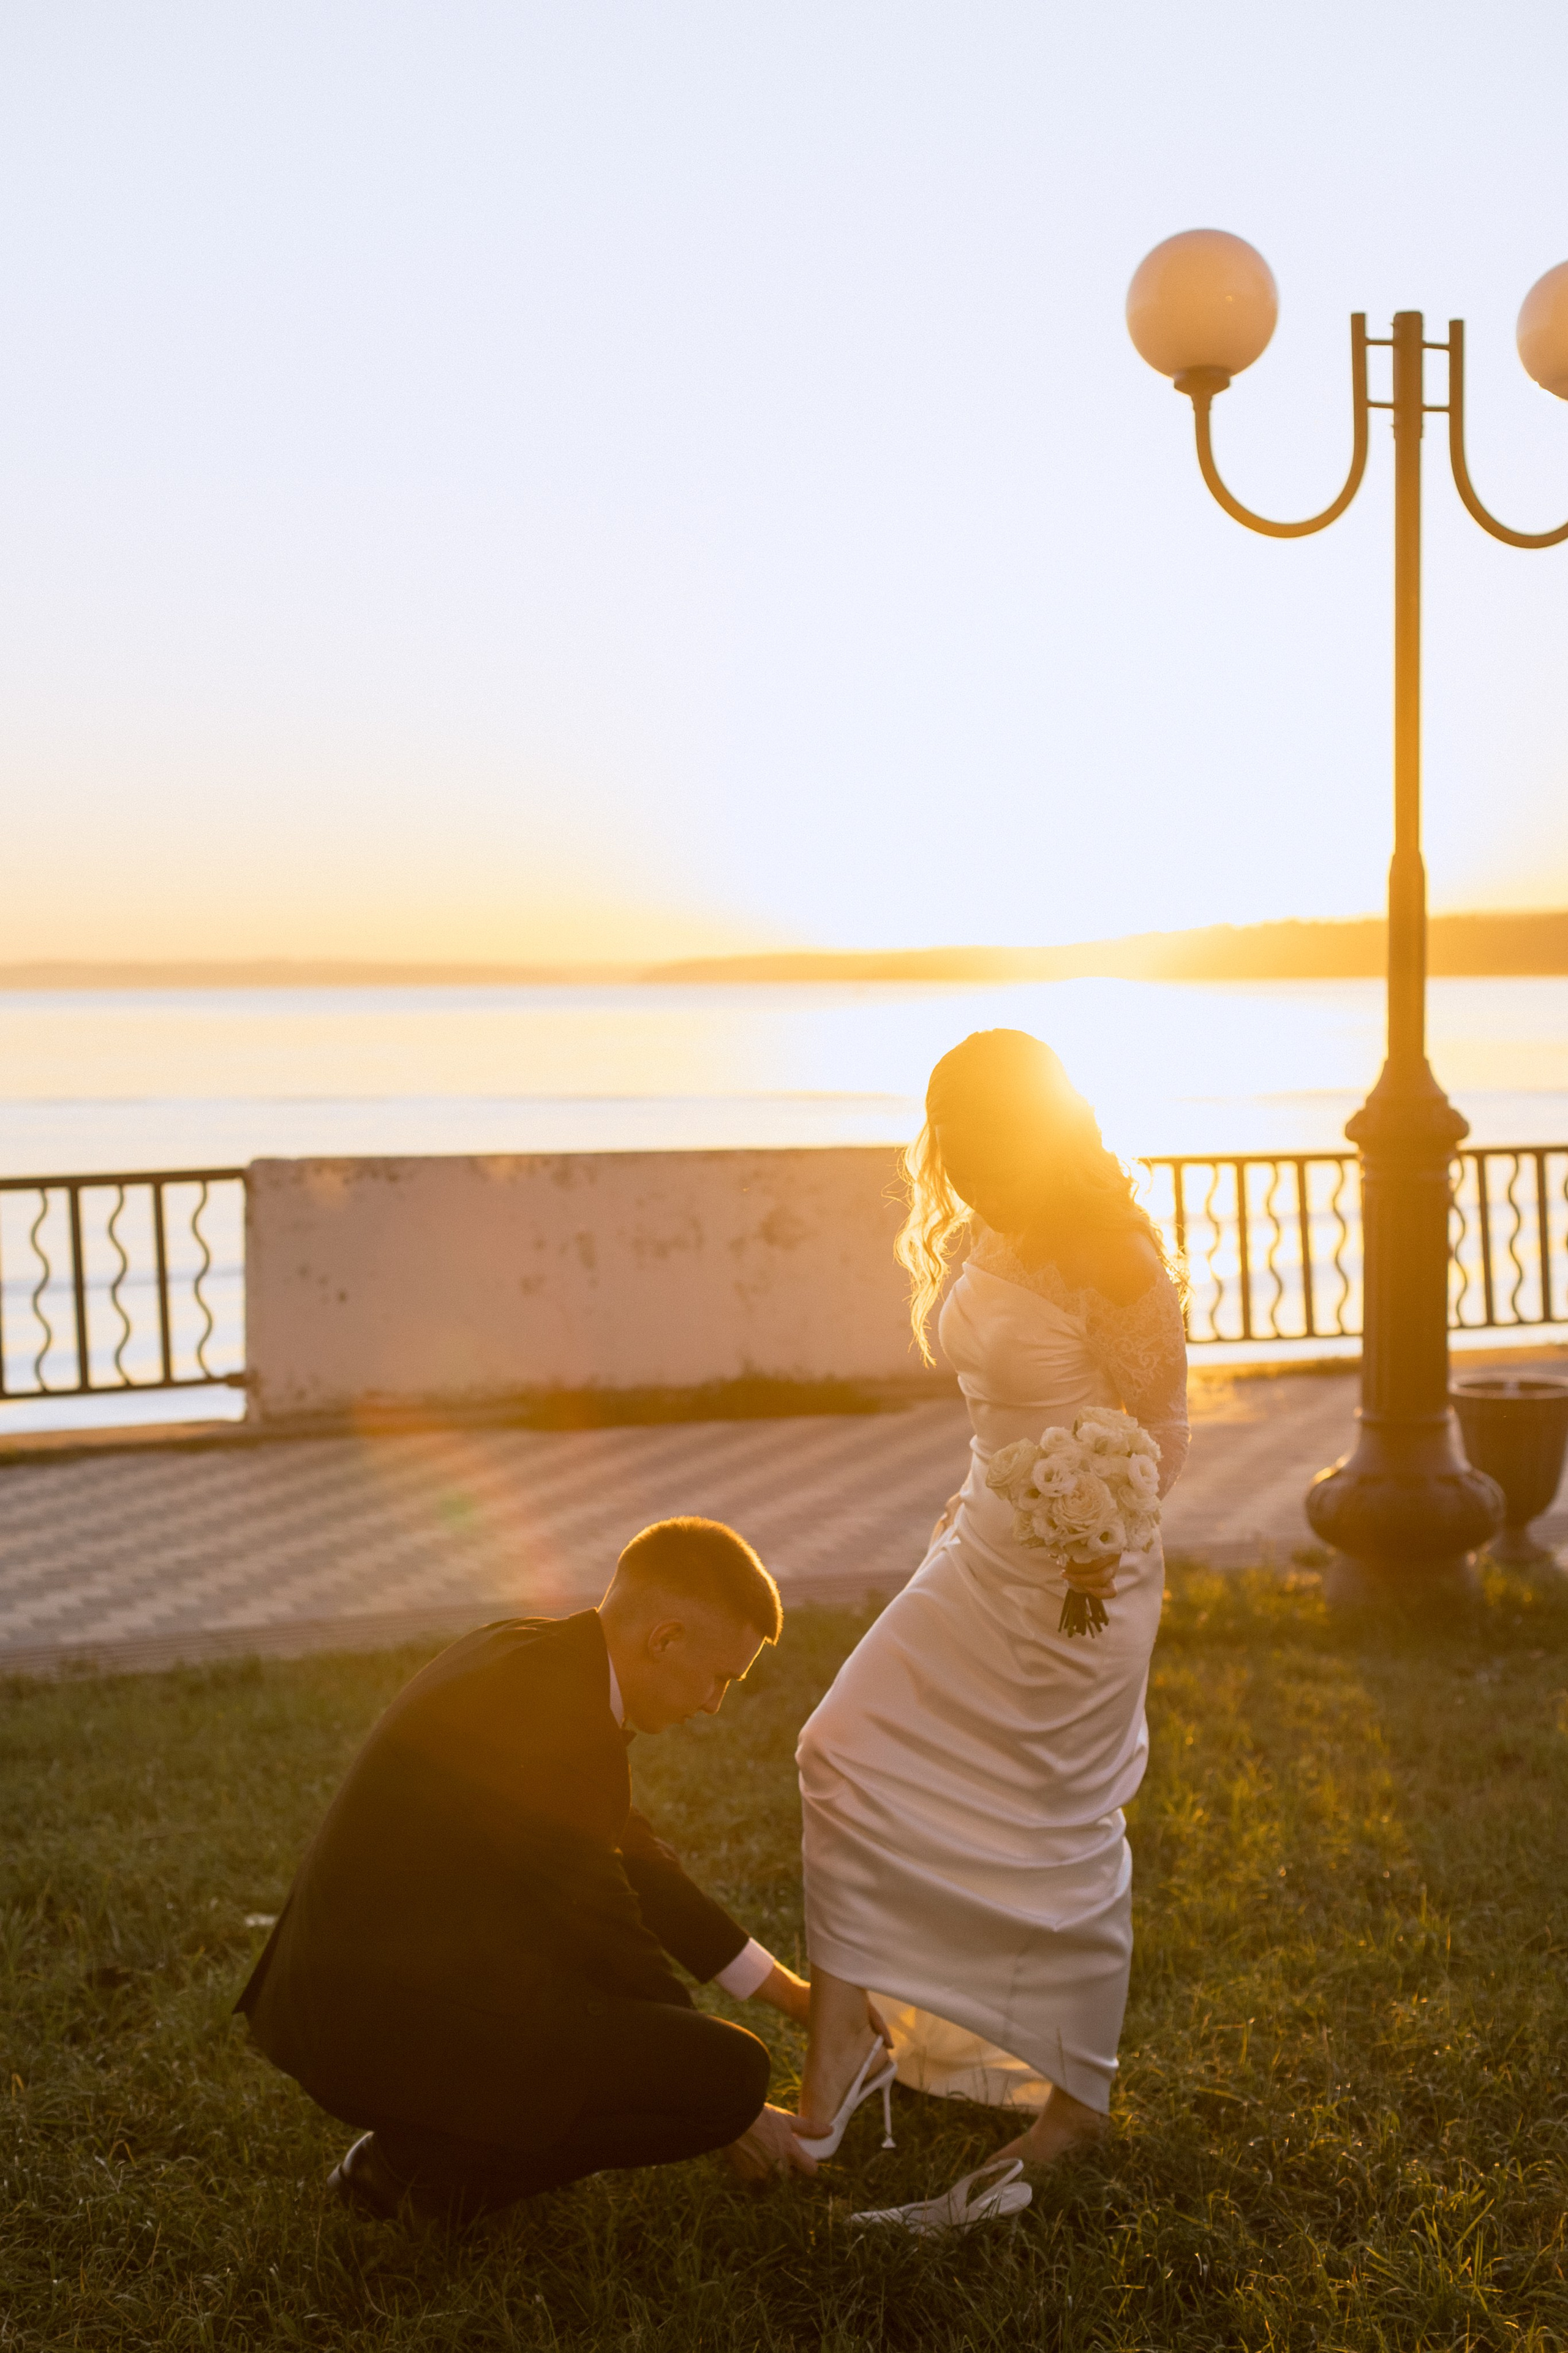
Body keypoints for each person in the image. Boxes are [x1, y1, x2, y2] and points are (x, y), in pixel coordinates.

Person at [792, 1029, 1189, 2198]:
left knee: (1057, 1823)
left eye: (984, 1143)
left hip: (1083, 1580)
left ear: (1039, 1132)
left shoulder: (1113, 1254)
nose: (962, 1169)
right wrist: (974, 1515)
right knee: (839, 1747)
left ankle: (1078, 2106)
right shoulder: (983, 1230)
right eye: (949, 1144)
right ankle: (847, 2036)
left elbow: (1163, 1426)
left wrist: (1102, 1527)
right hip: (971, 1552)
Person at [237, 1516, 818, 2220]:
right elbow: (612, 1931)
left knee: (671, 2045)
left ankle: (424, 2148)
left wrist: (791, 1995)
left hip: (352, 1995)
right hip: (370, 2029)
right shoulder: (557, 1714)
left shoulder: (537, 1655)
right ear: (665, 1638)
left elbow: (633, 1857)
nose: (714, 1704)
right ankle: (418, 2173)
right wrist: (726, 2103)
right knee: (729, 2073)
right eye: (719, 1677)